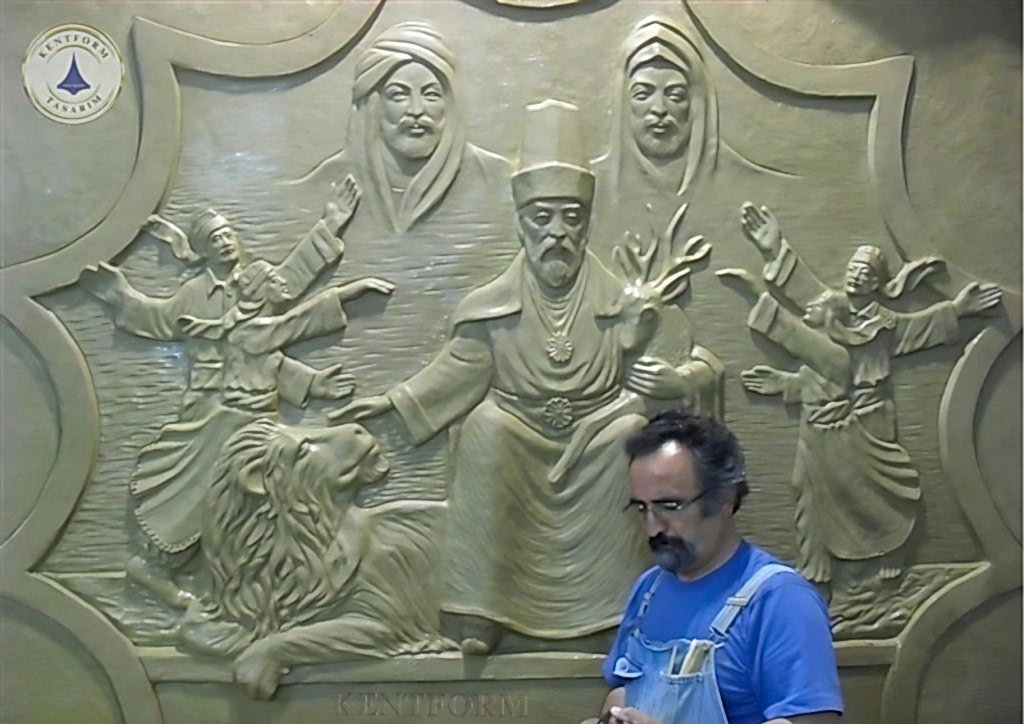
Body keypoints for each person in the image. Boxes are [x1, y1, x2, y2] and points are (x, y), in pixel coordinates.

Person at [334, 99, 722, 653]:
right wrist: (393, 403)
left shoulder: (626, 303)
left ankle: (616, 613)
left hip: (598, 435)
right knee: (485, 430)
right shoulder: (491, 305)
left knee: (628, 437)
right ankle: (479, 614)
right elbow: (460, 371)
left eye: (570, 218)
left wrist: (674, 383)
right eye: (542, 218)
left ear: (586, 225)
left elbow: (690, 363)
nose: (556, 232)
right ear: (520, 225)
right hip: (517, 435)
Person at [583, 411, 843, 724]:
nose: (653, 529)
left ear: (724, 499)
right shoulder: (648, 590)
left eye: (670, 506)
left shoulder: (781, 600)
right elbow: (622, 690)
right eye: (641, 508)